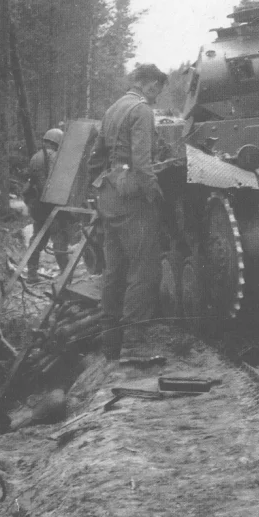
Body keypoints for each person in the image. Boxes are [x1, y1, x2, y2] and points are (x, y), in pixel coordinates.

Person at [89, 63, 169, 360]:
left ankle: (111, 345)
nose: (158, 94)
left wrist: (98, 190)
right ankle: (135, 346)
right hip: (131, 197)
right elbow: (142, 161)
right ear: (150, 85)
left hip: (108, 195)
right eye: (158, 88)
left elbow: (95, 158)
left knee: (114, 269)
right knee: (145, 266)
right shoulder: (142, 110)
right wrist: (153, 193)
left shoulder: (112, 109)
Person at [24, 128, 70, 283]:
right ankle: (67, 275)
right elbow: (46, 186)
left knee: (37, 239)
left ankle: (31, 274)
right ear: (57, 143)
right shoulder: (53, 157)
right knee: (59, 240)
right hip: (49, 206)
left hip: (38, 206)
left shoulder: (36, 157)